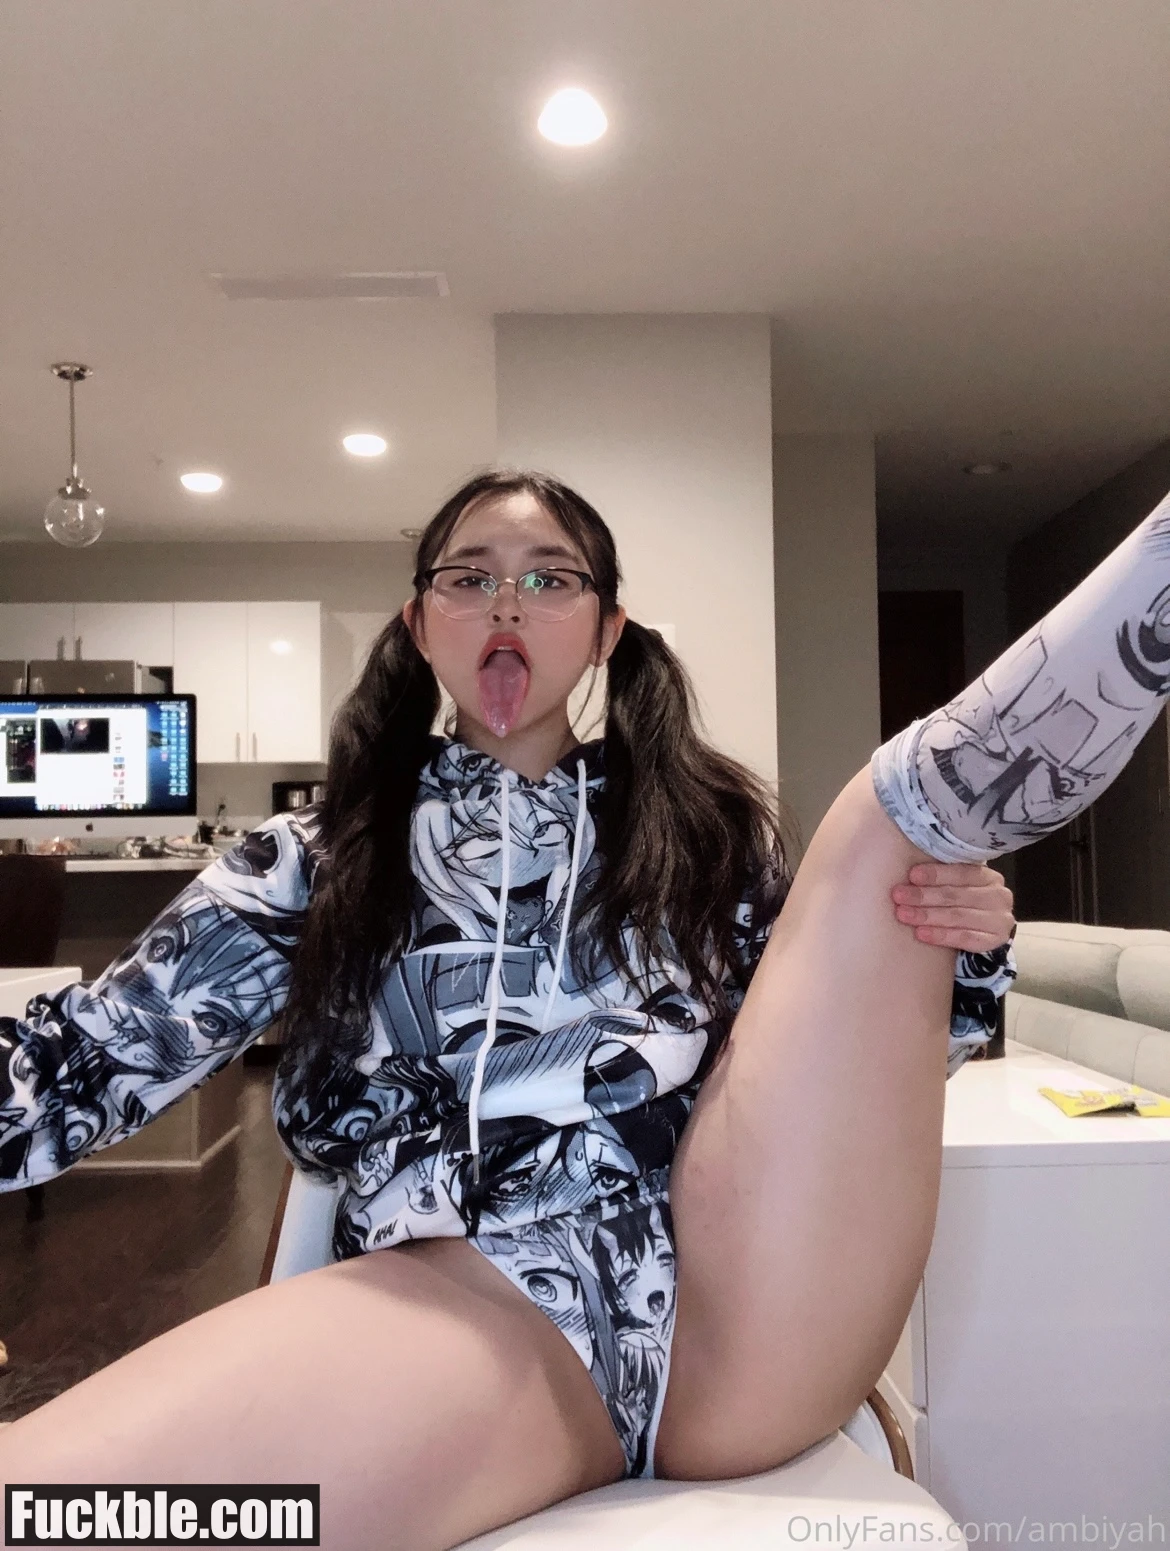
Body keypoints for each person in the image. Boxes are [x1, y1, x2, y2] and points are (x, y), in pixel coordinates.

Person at [5, 463, 1160, 1551]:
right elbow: (84, 1069)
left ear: (607, 629)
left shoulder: (707, 835)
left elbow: (843, 1085)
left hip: (749, 1301)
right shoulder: (311, 858)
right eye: (469, 577)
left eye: (550, 578)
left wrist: (954, 947)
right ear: (420, 626)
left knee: (889, 822)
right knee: (56, 1515)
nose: (507, 601)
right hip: (475, 1312)